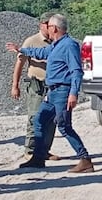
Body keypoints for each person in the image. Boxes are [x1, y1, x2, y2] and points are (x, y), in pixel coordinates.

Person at [5, 14, 93, 173]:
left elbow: (76, 71)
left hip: (63, 92)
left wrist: (73, 93)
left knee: (64, 127)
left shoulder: (69, 45)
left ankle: (85, 159)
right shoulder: (55, 45)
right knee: (38, 120)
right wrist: (21, 49)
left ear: (54, 28)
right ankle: (38, 158)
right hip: (52, 93)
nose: (47, 29)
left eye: (49, 26)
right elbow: (41, 53)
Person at [11, 12, 59, 161]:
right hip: (37, 85)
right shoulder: (31, 41)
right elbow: (20, 63)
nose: (51, 27)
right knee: (35, 117)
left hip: (53, 86)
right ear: (41, 25)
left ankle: (44, 150)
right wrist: (15, 85)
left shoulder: (57, 41)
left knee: (51, 119)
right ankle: (30, 150)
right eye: (48, 24)